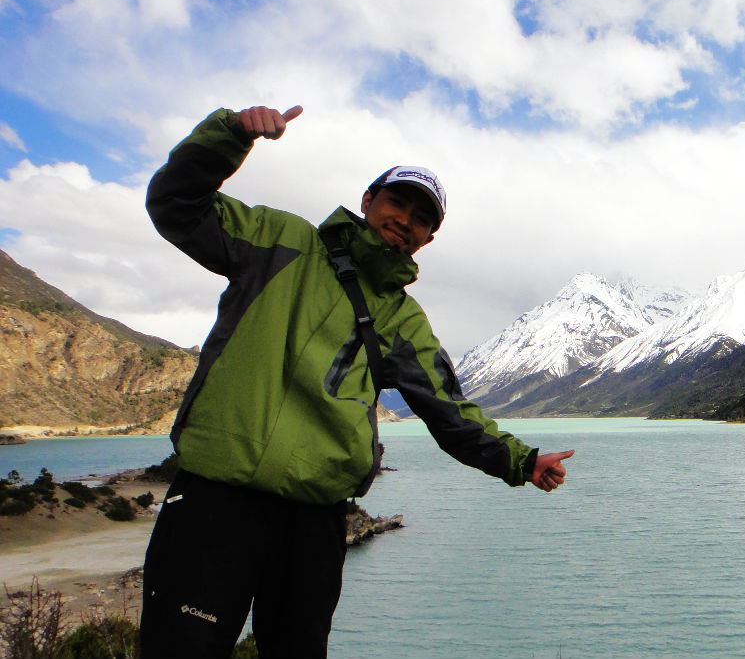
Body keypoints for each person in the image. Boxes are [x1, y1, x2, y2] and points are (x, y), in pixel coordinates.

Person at [139, 105, 574, 658]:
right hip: (215, 501)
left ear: (427, 239)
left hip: (314, 521)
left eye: (423, 218)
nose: (406, 220)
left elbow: (449, 412)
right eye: (398, 202)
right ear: (368, 201)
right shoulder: (279, 242)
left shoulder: (402, 320)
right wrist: (229, 136)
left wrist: (521, 459)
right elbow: (176, 204)